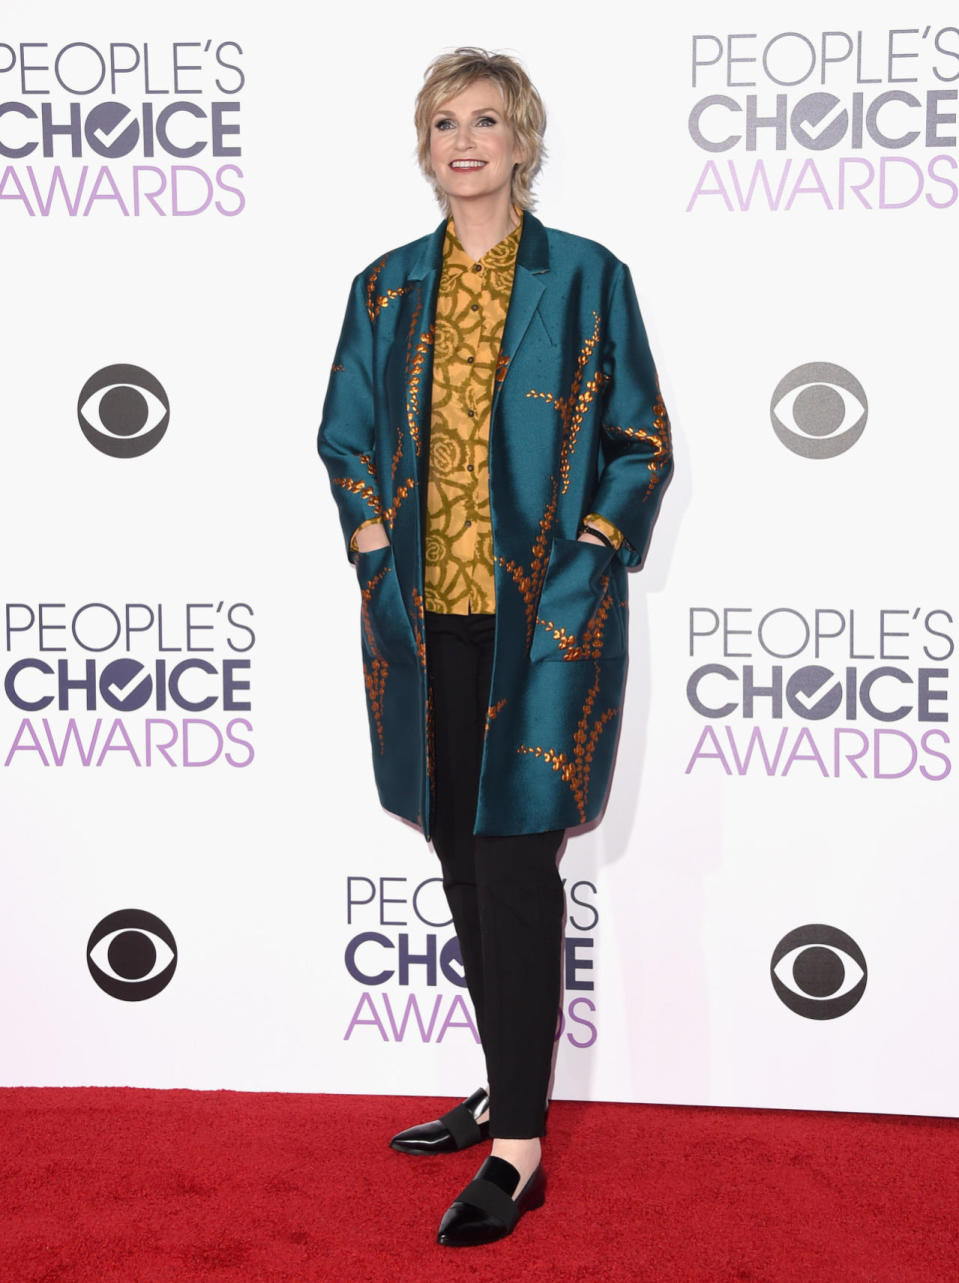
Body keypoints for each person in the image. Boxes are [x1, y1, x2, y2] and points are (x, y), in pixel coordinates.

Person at [318, 47, 672, 1247]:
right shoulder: (384, 287)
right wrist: (375, 554)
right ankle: (500, 1080)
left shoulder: (583, 279)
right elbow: (344, 439)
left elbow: (638, 440)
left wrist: (587, 551)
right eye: (441, 124)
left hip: (543, 620)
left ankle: (518, 1146)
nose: (463, 142)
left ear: (523, 139)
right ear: (422, 149)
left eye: (484, 121)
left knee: (517, 871)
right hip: (423, 625)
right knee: (463, 865)